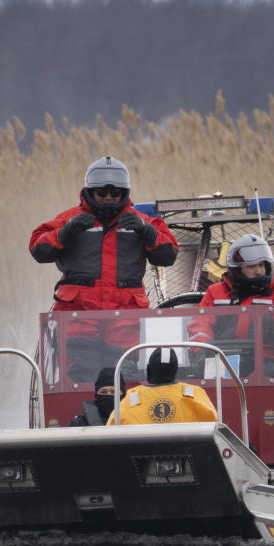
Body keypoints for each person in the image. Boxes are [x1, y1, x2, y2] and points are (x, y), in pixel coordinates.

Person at [29, 156, 179, 382]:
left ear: (124, 193)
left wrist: (146, 232)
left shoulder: (142, 221)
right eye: (102, 193)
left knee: (125, 378)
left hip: (125, 318)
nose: (109, 198)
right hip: (78, 317)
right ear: (90, 192)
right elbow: (39, 249)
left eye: (115, 193)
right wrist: (66, 232)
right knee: (79, 379)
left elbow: (168, 254)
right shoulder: (69, 219)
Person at [188, 234, 274, 382]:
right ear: (237, 269)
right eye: (251, 266)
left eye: (261, 265)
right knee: (202, 376)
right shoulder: (215, 293)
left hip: (264, 359)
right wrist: (202, 351)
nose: (259, 271)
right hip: (222, 356)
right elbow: (199, 323)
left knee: (271, 372)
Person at [108, 348, 218, 425]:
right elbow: (214, 425)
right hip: (188, 455)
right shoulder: (195, 394)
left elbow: (112, 430)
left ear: (148, 370)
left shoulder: (132, 398)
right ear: (175, 370)